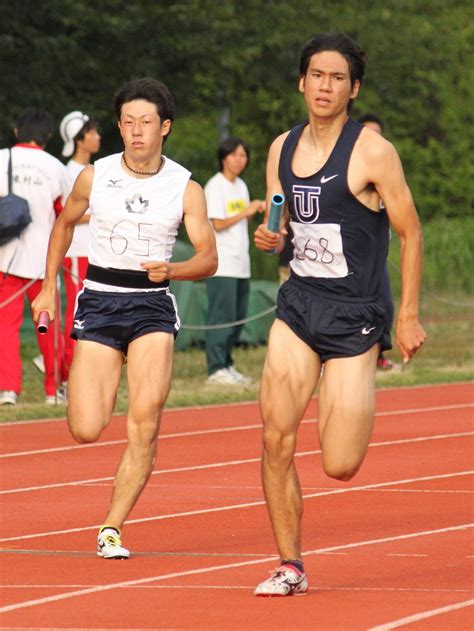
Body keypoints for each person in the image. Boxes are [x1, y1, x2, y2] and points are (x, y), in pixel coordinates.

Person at [253, 33, 426, 596]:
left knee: (340, 464)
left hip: (356, 317)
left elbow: (410, 232)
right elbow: (284, 230)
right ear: (301, 81)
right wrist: (271, 239)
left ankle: (348, 390)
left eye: (337, 78)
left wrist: (408, 317)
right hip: (300, 306)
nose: (325, 86)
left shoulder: (373, 152)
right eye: (316, 75)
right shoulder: (281, 148)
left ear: (353, 89)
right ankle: (290, 565)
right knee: (276, 437)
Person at [32, 77, 217, 559]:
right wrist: (47, 289)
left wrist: (173, 269)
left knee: (146, 423)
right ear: (119, 126)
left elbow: (208, 258)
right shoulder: (95, 176)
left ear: (165, 128)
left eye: (147, 123)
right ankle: (105, 377)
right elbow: (64, 225)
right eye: (129, 123)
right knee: (86, 427)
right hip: (99, 300)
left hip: (152, 305)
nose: (137, 132)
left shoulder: (185, 186)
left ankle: (111, 527)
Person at [0, 108, 70, 406]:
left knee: (5, 326)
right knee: (46, 325)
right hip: (44, 262)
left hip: (6, 258)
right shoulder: (56, 167)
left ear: (17, 131)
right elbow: (65, 214)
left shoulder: (2, 158)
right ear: (48, 136)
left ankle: (8, 389)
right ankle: (53, 390)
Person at [204, 137, 264, 385]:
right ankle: (215, 368)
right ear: (223, 158)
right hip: (222, 264)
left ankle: (227, 364)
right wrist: (246, 211)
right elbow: (217, 224)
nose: (240, 160)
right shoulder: (215, 186)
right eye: (235, 155)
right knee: (221, 316)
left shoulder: (241, 186)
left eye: (243, 155)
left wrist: (252, 212)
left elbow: (242, 222)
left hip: (241, 264)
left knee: (237, 316)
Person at [60, 110, 101, 379]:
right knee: (76, 313)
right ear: (79, 138)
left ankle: (83, 370)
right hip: (76, 252)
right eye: (93, 132)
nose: (98, 137)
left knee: (91, 312)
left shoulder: (97, 170)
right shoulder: (69, 172)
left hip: (95, 252)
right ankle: (68, 371)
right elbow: (66, 214)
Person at [357, 113, 399, 371]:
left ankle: (377, 355)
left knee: (385, 305)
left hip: (376, 256)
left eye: (378, 134)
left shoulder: (386, 168)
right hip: (348, 258)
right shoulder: (348, 168)